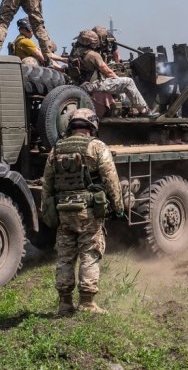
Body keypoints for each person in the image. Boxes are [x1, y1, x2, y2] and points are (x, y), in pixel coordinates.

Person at [41, 108, 124, 315]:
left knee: (65, 256)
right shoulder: (96, 147)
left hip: (63, 212)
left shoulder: (56, 149)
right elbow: (111, 180)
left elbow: (47, 184)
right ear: (92, 125)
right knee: (90, 252)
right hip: (88, 213)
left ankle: (64, 303)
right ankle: (87, 302)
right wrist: (118, 207)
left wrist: (48, 211)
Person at [69, 30, 158, 117]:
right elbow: (108, 72)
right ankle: (144, 111)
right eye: (94, 42)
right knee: (128, 82)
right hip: (93, 86)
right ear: (89, 43)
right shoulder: (93, 55)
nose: (96, 44)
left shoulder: (75, 52)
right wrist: (118, 80)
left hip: (81, 84)